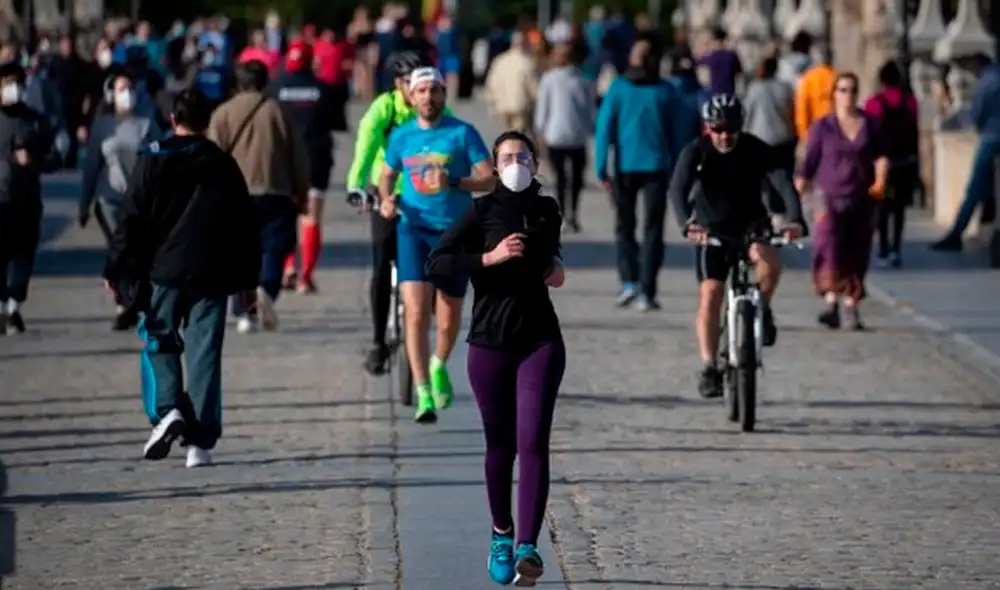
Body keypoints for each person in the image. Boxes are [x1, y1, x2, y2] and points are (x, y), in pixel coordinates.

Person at [425, 131, 565, 587]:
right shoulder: (480, 211)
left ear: (536, 164)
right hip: (489, 345)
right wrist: (488, 257)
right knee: (500, 445)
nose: (515, 163)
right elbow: (437, 262)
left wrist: (553, 266)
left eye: (522, 155)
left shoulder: (548, 210)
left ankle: (528, 545)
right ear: (493, 166)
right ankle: (501, 535)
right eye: (506, 157)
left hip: (540, 341)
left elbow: (550, 255)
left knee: (534, 442)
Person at [103, 89, 260, 468]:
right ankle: (200, 444)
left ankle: (167, 409)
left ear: (173, 120)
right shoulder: (223, 165)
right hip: (212, 272)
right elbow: (244, 227)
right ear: (208, 122)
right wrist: (248, 281)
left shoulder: (153, 160)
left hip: (163, 272)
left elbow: (130, 219)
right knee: (204, 354)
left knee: (158, 340)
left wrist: (116, 268)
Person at [668, 93, 806, 399]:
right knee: (711, 293)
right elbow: (678, 187)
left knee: (769, 263)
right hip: (711, 230)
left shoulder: (756, 149)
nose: (724, 136)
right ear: (707, 128)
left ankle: (763, 309)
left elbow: (782, 181)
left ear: (741, 127)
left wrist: (795, 218)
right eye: (717, 130)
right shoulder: (696, 151)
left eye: (731, 129)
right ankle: (708, 366)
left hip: (751, 226)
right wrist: (686, 223)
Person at [378, 67, 494, 423]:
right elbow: (387, 175)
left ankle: (439, 362)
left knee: (447, 317)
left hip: (454, 233)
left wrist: (455, 181)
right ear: (411, 97)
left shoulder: (462, 133)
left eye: (435, 91)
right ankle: (423, 390)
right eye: (422, 91)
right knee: (415, 310)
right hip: (413, 229)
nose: (429, 97)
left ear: (445, 94)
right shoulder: (401, 136)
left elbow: (489, 179)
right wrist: (385, 199)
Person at [345, 50, 436, 375]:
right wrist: (356, 184)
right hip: (385, 194)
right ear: (398, 84)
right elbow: (365, 146)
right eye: (411, 82)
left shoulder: (432, 105)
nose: (418, 89)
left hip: (424, 193)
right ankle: (377, 342)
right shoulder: (383, 108)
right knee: (382, 264)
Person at [207, 59, 309, 334]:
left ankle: (244, 311)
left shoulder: (222, 114)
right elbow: (298, 156)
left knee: (239, 252)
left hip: (234, 195)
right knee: (274, 248)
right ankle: (266, 289)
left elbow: (212, 158)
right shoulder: (279, 112)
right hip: (275, 190)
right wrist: (301, 191)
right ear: (265, 82)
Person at [595, 36, 686, 311]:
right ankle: (647, 289)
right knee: (652, 230)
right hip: (657, 168)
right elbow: (678, 134)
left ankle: (629, 282)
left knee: (625, 227)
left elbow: (604, 130)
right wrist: (679, 169)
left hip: (626, 168)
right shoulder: (666, 91)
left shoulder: (619, 89)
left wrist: (601, 168)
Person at [795, 73, 888, 331]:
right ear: (834, 94)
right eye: (842, 90)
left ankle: (851, 305)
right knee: (829, 246)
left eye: (852, 90)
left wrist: (880, 179)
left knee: (857, 250)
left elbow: (881, 156)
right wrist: (795, 195)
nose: (847, 95)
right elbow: (808, 164)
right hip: (828, 195)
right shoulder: (823, 127)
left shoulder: (870, 124)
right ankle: (831, 301)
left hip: (861, 194)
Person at [79, 71, 161, 330]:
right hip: (109, 199)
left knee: (137, 252)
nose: (126, 92)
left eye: (130, 87)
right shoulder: (102, 125)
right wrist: (84, 202)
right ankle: (125, 303)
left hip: (139, 200)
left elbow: (161, 160)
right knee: (120, 249)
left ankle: (131, 301)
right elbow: (92, 166)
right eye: (121, 87)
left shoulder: (146, 124)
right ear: (111, 94)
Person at [269, 40, 338, 294]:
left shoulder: (274, 88)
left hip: (283, 161)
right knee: (310, 218)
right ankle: (305, 277)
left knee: (286, 216)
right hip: (315, 159)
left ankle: (287, 268)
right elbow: (337, 121)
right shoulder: (324, 89)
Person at [0, 60, 52, 334]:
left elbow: (55, 157)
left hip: (26, 200)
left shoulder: (34, 120)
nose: (12, 88)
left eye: (16, 82)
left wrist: (33, 160)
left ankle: (13, 307)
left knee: (22, 256)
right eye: (6, 83)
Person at [930, 54, 999, 252]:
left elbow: (976, 115)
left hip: (991, 139)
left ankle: (956, 234)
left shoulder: (986, 83)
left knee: (974, 191)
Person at [863, 60, 919, 267]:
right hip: (905, 161)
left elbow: (868, 133)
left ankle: (884, 248)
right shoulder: (910, 101)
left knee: (882, 207)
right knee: (899, 208)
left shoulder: (874, 103)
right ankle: (896, 248)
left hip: (881, 163)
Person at [534, 42, 594, 232]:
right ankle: (571, 214)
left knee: (562, 178)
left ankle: (565, 213)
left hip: (558, 135)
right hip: (572, 135)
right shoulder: (580, 79)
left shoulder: (552, 79)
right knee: (574, 178)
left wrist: (540, 129)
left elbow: (543, 107)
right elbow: (588, 108)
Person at [743, 55, 796, 176]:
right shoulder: (786, 88)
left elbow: (746, 115)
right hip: (784, 139)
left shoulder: (754, 89)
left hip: (760, 140)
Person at [484, 31, 539, 133]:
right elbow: (534, 87)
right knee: (518, 137)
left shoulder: (500, 60)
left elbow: (491, 83)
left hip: (502, 106)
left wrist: (491, 101)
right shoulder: (527, 62)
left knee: (506, 136)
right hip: (520, 106)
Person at [794, 47, 836, 141]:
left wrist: (804, 135)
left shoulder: (807, 79)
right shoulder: (836, 76)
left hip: (815, 131)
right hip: (835, 130)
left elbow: (802, 109)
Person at [696, 27, 743, 95]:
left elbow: (699, 66)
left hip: (715, 94)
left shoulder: (710, 57)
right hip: (730, 93)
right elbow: (739, 72)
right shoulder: (732, 56)